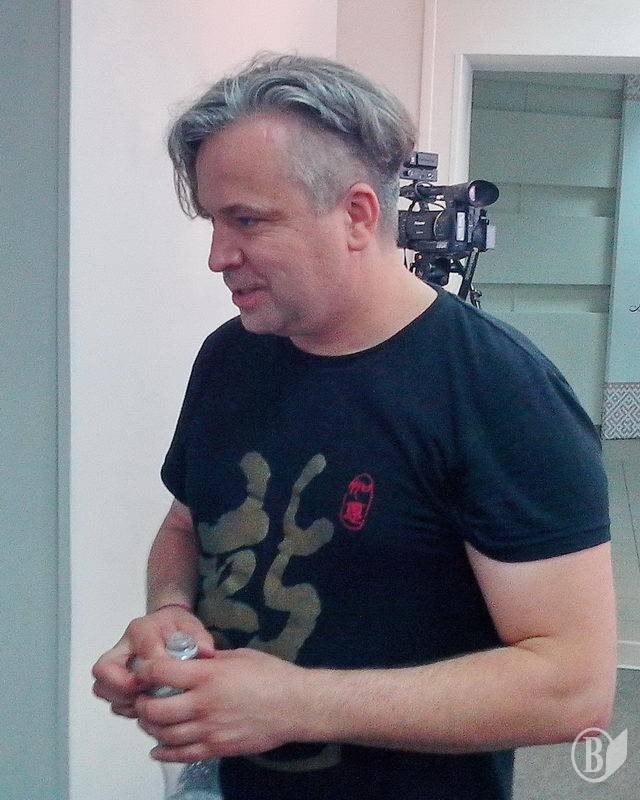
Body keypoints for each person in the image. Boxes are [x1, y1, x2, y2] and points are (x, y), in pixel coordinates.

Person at [92, 53, 618, 800]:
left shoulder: (500, 393)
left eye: (247, 220)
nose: (217, 256)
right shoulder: (231, 355)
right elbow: (185, 525)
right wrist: (171, 619)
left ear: (358, 215)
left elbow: (573, 688)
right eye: (213, 221)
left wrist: (295, 705)